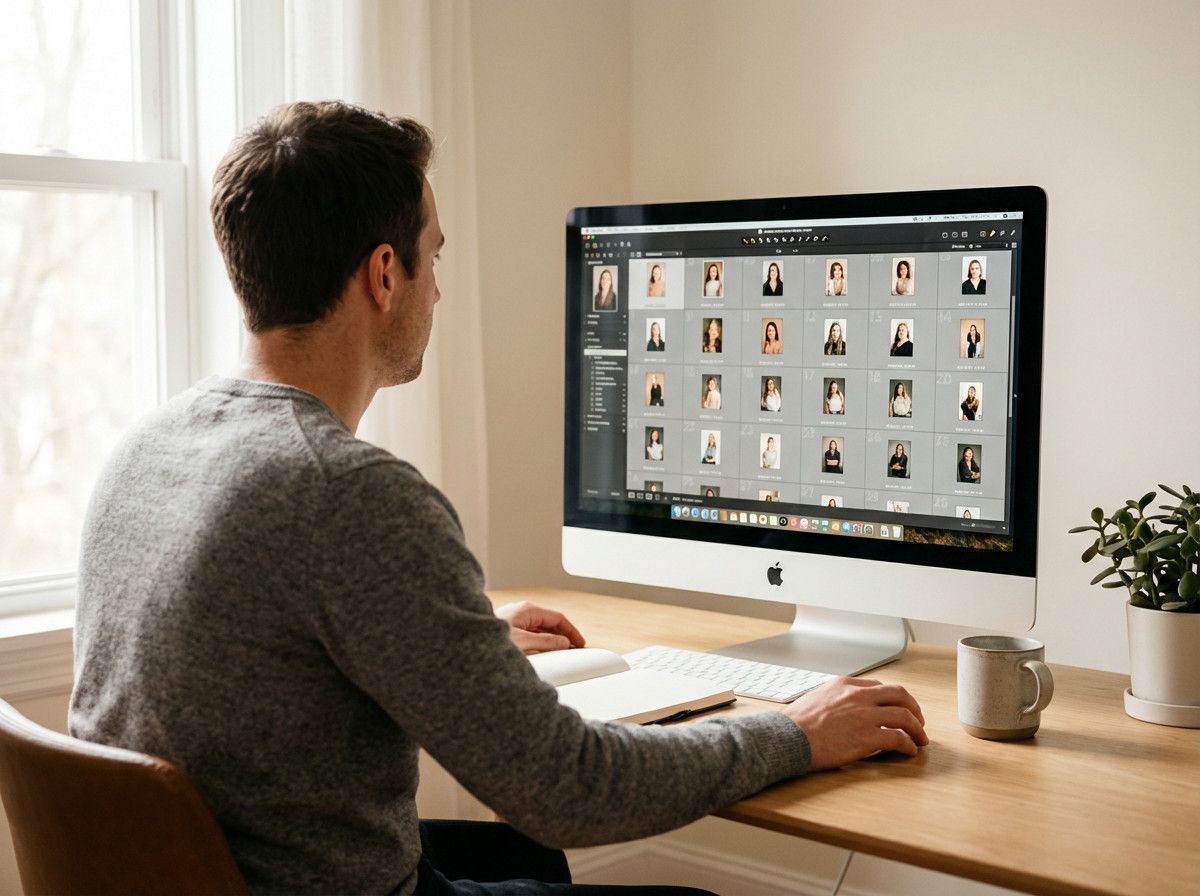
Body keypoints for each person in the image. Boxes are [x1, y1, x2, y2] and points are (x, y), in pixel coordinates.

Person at [69, 101, 926, 896]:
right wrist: (798, 733)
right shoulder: (347, 491)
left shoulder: (147, 447)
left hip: (209, 870)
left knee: (522, 860)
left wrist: (454, 640)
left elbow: (273, 654)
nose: (438, 288)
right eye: (433, 256)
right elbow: (569, 789)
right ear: (383, 274)